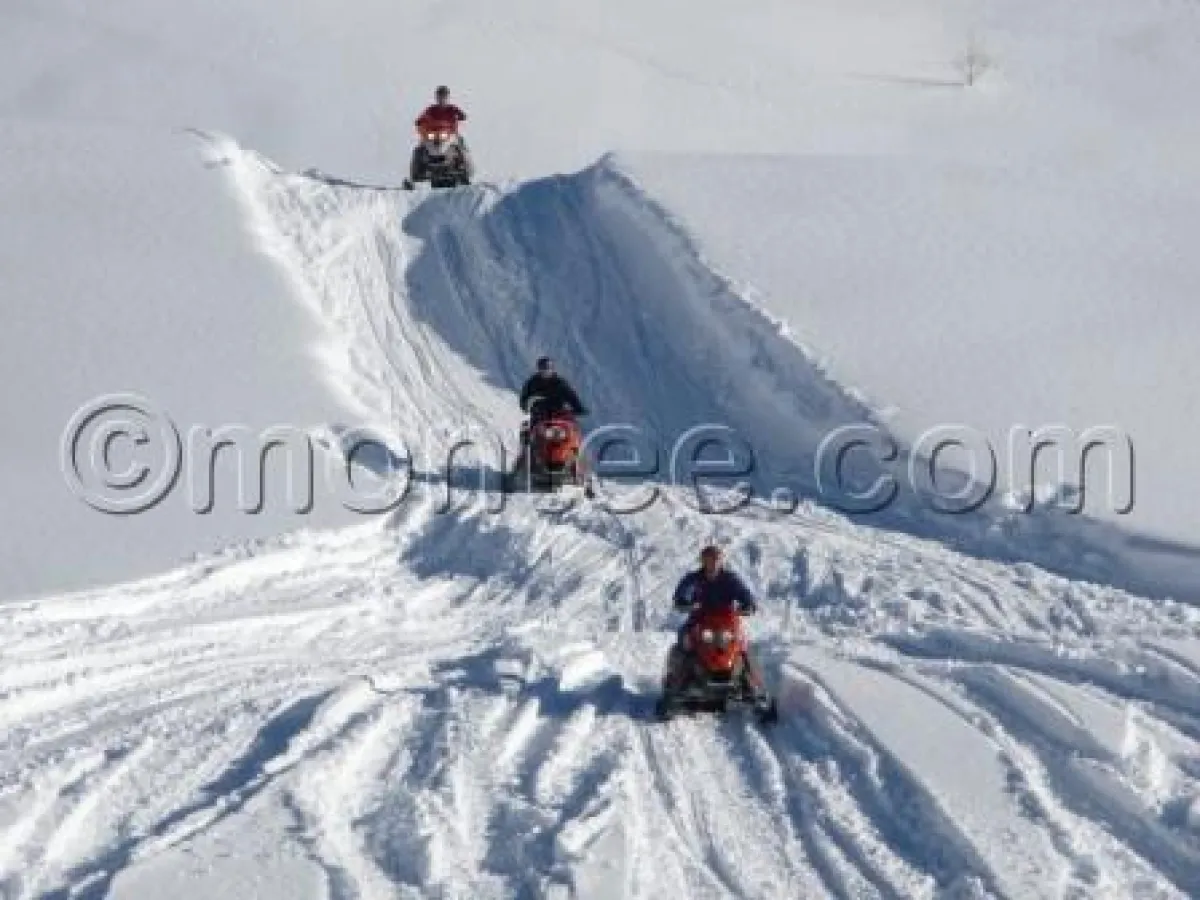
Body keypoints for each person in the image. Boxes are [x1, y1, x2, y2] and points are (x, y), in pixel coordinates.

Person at [663, 544, 767, 698]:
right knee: (684, 639)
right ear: (702, 562)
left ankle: (755, 685)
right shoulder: (694, 578)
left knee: (743, 645)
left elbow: (744, 592)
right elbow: (684, 590)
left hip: (727, 621)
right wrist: (682, 601)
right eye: (708, 560)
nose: (712, 564)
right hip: (700, 619)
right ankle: (676, 683)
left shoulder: (730, 579)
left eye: (716, 560)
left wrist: (749, 604)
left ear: (721, 561)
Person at [409, 85, 471, 185]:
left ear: (447, 98)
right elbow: (422, 117)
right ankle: (415, 174)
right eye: (440, 97)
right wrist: (419, 122)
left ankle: (464, 170)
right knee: (419, 149)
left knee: (461, 146)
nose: (442, 99)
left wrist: (461, 115)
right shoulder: (431, 109)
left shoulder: (452, 108)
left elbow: (461, 114)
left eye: (444, 97)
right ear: (436, 98)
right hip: (433, 135)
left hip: (449, 133)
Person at [518, 356, 587, 427]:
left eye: (548, 368)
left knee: (572, 426)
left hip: (559, 414)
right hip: (540, 415)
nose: (546, 371)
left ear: (552, 369)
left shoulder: (560, 383)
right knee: (532, 430)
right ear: (539, 369)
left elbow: (571, 395)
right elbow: (524, 397)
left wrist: (578, 408)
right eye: (543, 368)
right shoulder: (532, 383)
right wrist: (525, 406)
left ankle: (577, 437)